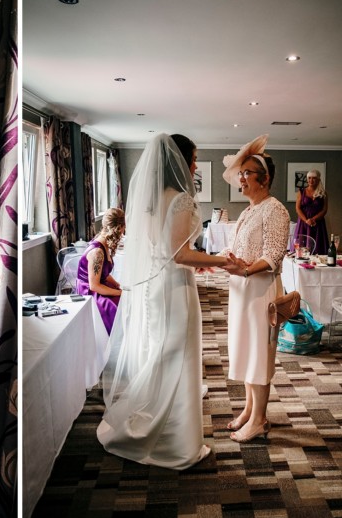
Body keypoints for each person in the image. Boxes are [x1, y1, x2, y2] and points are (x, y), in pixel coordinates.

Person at [97, 134, 242, 468]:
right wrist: (222, 260)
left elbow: (161, 251)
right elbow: (179, 255)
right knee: (180, 355)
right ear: (178, 161)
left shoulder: (149, 200)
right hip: (175, 290)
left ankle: (160, 428)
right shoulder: (181, 200)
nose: (193, 167)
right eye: (192, 160)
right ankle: (178, 445)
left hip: (155, 288)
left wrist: (201, 264)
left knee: (162, 353)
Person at [221, 136, 290, 443]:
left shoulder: (275, 210)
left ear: (265, 179)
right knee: (247, 351)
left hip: (260, 292)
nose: (242, 177)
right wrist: (222, 259)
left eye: (248, 173)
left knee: (259, 355)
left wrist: (246, 269)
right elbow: (241, 247)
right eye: (242, 173)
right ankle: (249, 410)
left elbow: (273, 255)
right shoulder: (251, 209)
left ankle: (260, 420)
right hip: (243, 291)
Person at [74, 207, 124, 333]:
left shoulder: (105, 244)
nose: (123, 234)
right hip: (90, 292)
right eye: (122, 230)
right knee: (118, 307)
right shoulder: (97, 252)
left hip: (98, 285)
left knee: (126, 299)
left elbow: (103, 274)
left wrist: (117, 285)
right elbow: (94, 285)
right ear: (117, 229)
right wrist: (119, 293)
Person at [292, 169, 329, 253]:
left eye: (314, 178)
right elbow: (298, 208)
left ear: (318, 179)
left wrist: (313, 219)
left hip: (318, 223)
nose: (311, 180)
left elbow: (324, 209)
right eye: (309, 178)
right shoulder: (301, 192)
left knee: (319, 248)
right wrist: (306, 220)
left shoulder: (324, 193)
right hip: (303, 223)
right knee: (301, 247)